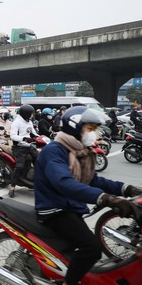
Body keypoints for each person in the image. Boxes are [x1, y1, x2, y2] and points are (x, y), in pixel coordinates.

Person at [34, 106, 142, 285]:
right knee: (92, 248)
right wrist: (106, 198)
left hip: (72, 207)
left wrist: (127, 189)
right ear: (75, 127)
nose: (95, 134)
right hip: (55, 209)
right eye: (90, 129)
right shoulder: (54, 151)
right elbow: (64, 183)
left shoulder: (78, 150)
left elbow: (93, 180)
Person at [9, 104, 39, 197]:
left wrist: (40, 137)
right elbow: (12, 136)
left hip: (28, 146)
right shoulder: (16, 122)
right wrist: (24, 138)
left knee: (39, 160)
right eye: (31, 113)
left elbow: (33, 132)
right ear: (25, 113)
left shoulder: (28, 121)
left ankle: (35, 180)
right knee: (19, 166)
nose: (32, 115)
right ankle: (12, 186)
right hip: (19, 147)